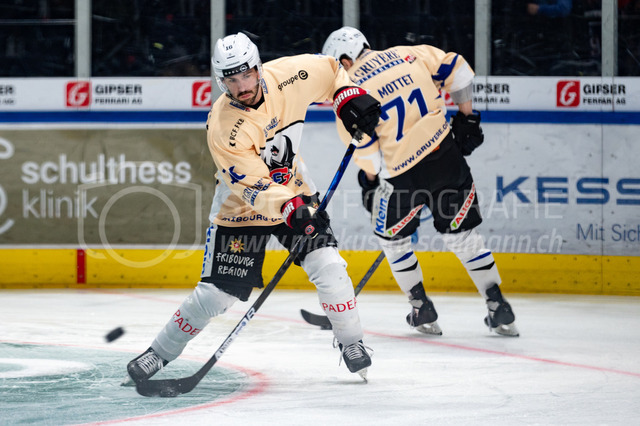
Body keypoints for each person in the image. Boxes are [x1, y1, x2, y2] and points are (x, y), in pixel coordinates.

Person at [126, 32, 381, 382]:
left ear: (258, 68)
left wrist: (347, 97)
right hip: (242, 209)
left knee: (330, 267)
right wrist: (289, 207)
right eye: (232, 80)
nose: (242, 86)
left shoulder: (290, 75)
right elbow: (252, 184)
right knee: (215, 296)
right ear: (221, 81)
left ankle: (352, 342)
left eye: (246, 75)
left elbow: (332, 70)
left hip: (296, 192)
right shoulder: (222, 125)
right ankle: (159, 352)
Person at [322, 27, 519, 337]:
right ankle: (498, 305)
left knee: (393, 241)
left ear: (344, 61)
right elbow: (459, 70)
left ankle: (421, 307)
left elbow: (368, 155)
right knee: (464, 237)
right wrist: (467, 118)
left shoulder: (350, 91)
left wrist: (370, 182)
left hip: (403, 177)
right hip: (446, 157)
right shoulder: (408, 53)